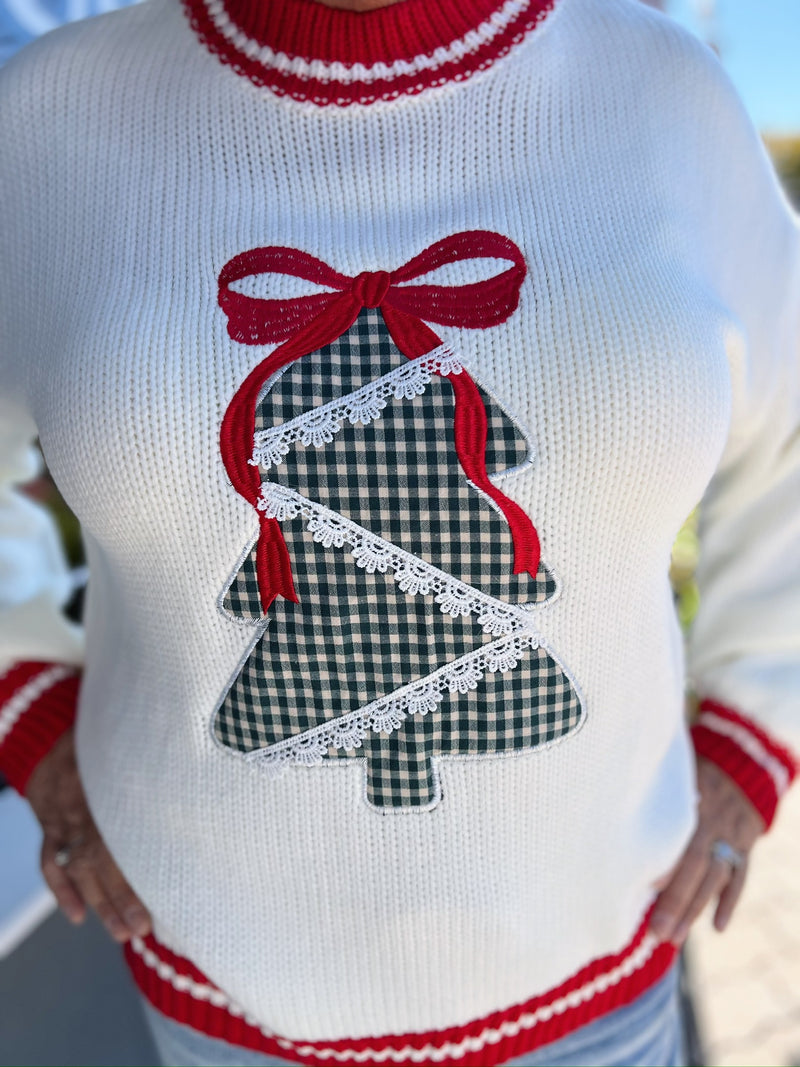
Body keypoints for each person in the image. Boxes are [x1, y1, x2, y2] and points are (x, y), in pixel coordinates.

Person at [0, 0, 797, 1063]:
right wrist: (29, 699)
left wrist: (755, 724)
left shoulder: (663, 96)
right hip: (218, 1000)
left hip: (594, 989)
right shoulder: (47, 121)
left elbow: (786, 433)